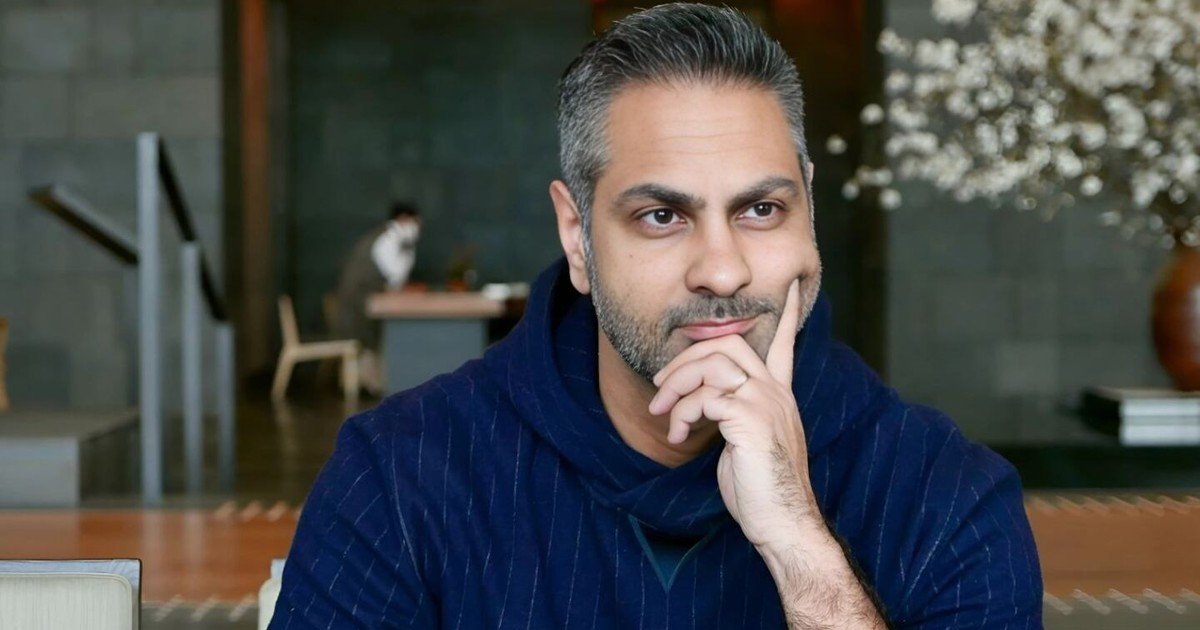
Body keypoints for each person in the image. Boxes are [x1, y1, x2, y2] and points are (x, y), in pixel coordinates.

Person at [271, 4, 1041, 628]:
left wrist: (800, 547)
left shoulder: (947, 495)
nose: (722, 270)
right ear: (577, 236)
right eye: (662, 217)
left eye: (762, 209)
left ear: (808, 208)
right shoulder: (399, 477)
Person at [332, 202, 421, 394]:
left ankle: (379, 383)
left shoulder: (391, 240)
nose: (416, 227)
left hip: (364, 304)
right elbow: (394, 278)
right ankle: (375, 383)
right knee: (372, 339)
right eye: (414, 222)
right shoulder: (386, 241)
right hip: (359, 306)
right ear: (403, 219)